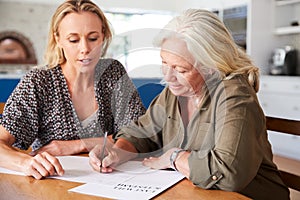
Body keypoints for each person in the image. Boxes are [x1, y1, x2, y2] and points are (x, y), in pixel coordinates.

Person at [89, 9, 290, 200]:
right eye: (164, 63)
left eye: (181, 69)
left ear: (211, 67)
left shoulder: (235, 97)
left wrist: (174, 157)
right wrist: (116, 151)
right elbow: (142, 132)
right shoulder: (175, 92)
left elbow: (229, 174)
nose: (168, 77)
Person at [0, 0, 145, 180]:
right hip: (52, 185)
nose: (85, 49)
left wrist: (78, 145)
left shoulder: (113, 73)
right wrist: (25, 163)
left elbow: (140, 134)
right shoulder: (38, 81)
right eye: (73, 40)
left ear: (103, 35)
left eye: (93, 38)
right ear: (58, 39)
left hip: (107, 182)